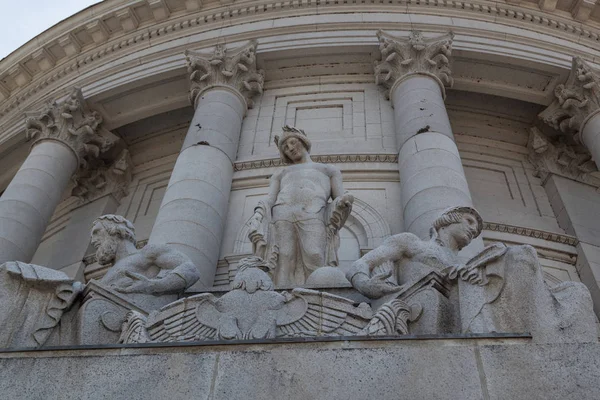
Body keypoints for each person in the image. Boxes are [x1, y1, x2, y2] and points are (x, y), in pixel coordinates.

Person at [247, 126, 353, 286]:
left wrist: (345, 200)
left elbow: (339, 197)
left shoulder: (328, 170)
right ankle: (282, 299)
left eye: (292, 143)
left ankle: (318, 299)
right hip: (282, 214)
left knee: (315, 254)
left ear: (303, 142)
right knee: (284, 258)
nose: (290, 149)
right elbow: (270, 198)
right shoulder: (281, 173)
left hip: (313, 214)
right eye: (285, 148)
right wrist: (258, 213)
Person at [345, 206, 483, 298]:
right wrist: (364, 285)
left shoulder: (464, 266)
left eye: (476, 230)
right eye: (469, 221)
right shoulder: (412, 243)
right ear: (447, 220)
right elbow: (361, 263)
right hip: (416, 308)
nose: (473, 230)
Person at [91, 214, 199, 295]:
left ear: (116, 230)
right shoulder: (104, 278)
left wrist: (153, 286)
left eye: (97, 232)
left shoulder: (147, 253)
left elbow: (190, 269)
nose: (92, 241)